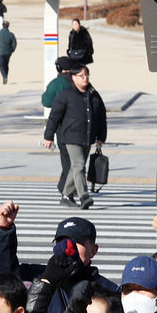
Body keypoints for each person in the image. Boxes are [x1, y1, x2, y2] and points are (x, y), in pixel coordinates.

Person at [0, 204, 117, 313]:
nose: (67, 246)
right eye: (62, 241)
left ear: (93, 250)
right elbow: (2, 275)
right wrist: (3, 229)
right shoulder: (39, 276)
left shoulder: (108, 289)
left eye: (75, 242)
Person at [43, 63, 107, 211]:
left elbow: (101, 117)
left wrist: (101, 136)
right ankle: (84, 196)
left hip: (87, 136)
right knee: (79, 164)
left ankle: (66, 195)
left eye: (87, 75)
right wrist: (49, 136)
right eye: (81, 76)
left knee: (76, 167)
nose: (85, 78)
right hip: (71, 136)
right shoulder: (66, 95)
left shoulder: (93, 94)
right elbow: (54, 117)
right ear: (73, 77)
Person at [42, 57, 75, 203]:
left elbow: (46, 101)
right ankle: (68, 188)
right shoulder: (79, 81)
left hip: (63, 128)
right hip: (81, 128)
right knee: (77, 161)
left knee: (67, 160)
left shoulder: (56, 84)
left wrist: (48, 136)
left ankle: (64, 187)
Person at [0, 19, 17, 84]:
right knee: (6, 65)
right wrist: (12, 50)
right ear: (8, 26)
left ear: (2, 26)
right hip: (8, 52)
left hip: (0, 52)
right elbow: (14, 43)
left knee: (1, 65)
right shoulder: (11, 34)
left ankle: (4, 76)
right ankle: (5, 76)